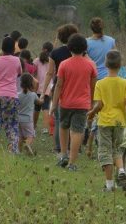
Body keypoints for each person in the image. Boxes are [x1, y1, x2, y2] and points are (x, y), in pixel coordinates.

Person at [87, 50, 126, 192]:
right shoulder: (125, 83)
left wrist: (91, 113)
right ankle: (121, 170)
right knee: (116, 150)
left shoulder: (100, 84)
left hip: (104, 122)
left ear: (105, 64)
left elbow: (99, 105)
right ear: (120, 65)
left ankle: (109, 185)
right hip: (120, 122)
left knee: (105, 152)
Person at [50, 33, 97, 171]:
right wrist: (92, 103)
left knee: (64, 127)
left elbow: (59, 85)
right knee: (77, 130)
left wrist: (54, 103)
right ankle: (72, 162)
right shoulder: (91, 65)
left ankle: (63, 154)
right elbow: (93, 85)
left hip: (66, 103)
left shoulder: (64, 64)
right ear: (84, 48)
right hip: (83, 104)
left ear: (69, 48)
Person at [41, 24, 79, 153]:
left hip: (59, 87)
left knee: (59, 120)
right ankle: (73, 147)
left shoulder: (55, 53)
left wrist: (43, 91)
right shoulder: (80, 52)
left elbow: (50, 73)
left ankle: (58, 147)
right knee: (75, 120)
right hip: (76, 86)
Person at [85, 17, 117, 156]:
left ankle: (89, 134)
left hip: (93, 79)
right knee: (107, 108)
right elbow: (116, 58)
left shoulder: (86, 42)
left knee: (93, 108)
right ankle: (104, 136)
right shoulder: (111, 41)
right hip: (109, 78)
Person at [18, 73, 42, 155]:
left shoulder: (18, 95)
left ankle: (19, 151)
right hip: (28, 119)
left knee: (20, 136)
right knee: (30, 136)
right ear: (31, 83)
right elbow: (39, 103)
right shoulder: (33, 95)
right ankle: (27, 144)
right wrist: (42, 98)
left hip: (18, 118)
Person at [33, 42, 53, 132]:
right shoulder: (52, 61)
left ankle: (34, 125)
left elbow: (33, 72)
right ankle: (45, 128)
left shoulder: (36, 60)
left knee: (36, 108)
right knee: (46, 107)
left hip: (37, 87)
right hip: (48, 87)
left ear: (43, 49)